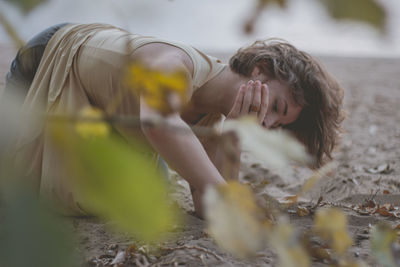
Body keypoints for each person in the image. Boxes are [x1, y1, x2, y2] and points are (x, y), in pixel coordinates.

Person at [3, 23, 344, 217]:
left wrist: (236, 136)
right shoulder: (173, 64)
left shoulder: (210, 119)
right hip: (46, 62)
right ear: (261, 70)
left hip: (103, 117)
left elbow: (209, 207)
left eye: (277, 124)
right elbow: (159, 124)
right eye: (277, 108)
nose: (268, 124)